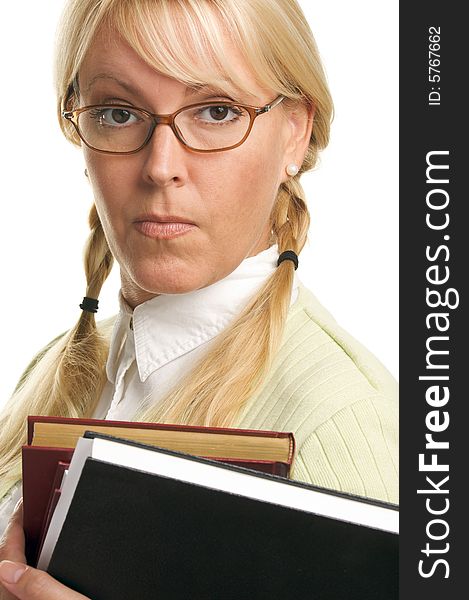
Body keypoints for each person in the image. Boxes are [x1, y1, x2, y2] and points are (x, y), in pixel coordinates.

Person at [0, 0, 398, 596]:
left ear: (296, 131)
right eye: (117, 112)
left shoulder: (345, 425)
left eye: (216, 111)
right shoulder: (56, 368)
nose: (161, 167)